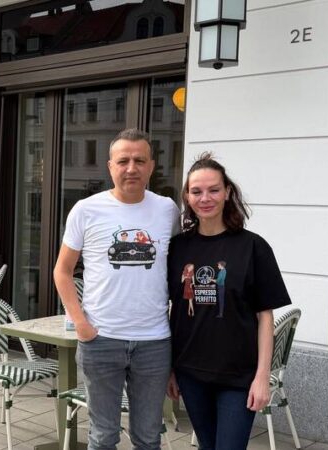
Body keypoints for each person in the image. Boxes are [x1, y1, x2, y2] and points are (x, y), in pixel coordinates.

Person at [54, 128, 180, 450]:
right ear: (110, 166)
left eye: (140, 160)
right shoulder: (85, 210)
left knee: (149, 437)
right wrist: (81, 324)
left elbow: (178, 275)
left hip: (154, 342)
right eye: (123, 160)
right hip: (101, 340)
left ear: (151, 166)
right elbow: (63, 271)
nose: (131, 168)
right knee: (102, 435)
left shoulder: (168, 210)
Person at [166, 153, 291, 450]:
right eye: (196, 191)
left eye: (213, 190)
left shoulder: (253, 247)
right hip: (191, 373)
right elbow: (172, 311)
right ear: (187, 196)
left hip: (238, 377)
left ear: (227, 193)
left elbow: (265, 317)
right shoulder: (177, 248)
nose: (205, 198)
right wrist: (171, 368)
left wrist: (263, 377)